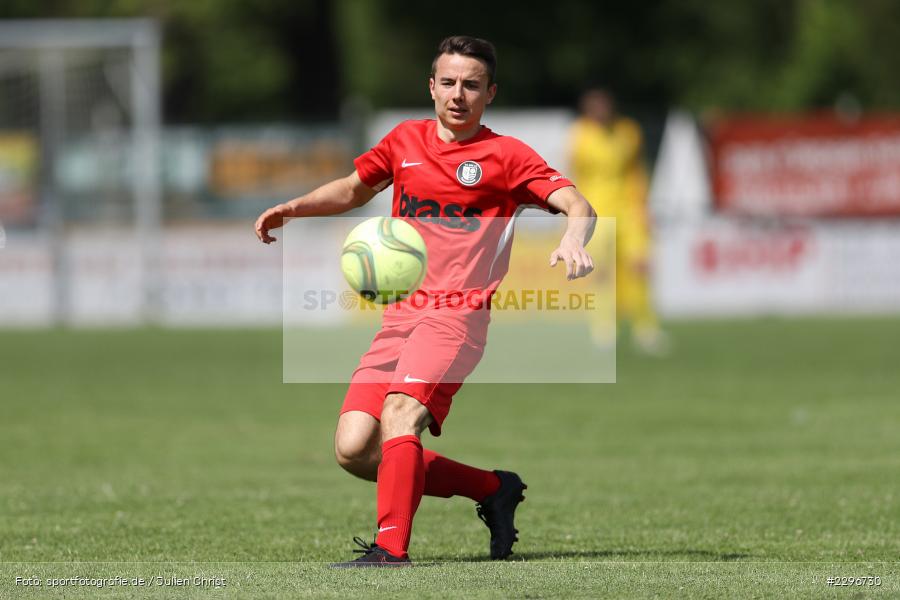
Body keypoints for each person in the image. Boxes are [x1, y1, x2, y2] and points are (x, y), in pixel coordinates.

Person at [255, 36, 596, 567]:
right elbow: (352, 189)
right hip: (400, 316)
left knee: (400, 415)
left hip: (457, 316)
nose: (459, 94)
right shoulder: (405, 141)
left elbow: (576, 202)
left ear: (490, 94)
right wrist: (293, 209)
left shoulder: (506, 156)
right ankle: (492, 488)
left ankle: (391, 549)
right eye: (450, 82)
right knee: (353, 449)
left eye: (472, 85)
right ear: (432, 87)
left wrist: (574, 235)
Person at [568, 88, 670, 355]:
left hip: (629, 210)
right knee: (600, 272)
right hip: (596, 211)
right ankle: (604, 328)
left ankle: (645, 328)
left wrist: (644, 207)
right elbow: (574, 175)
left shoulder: (628, 131)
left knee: (640, 267)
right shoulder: (579, 135)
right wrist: (573, 216)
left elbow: (636, 172)